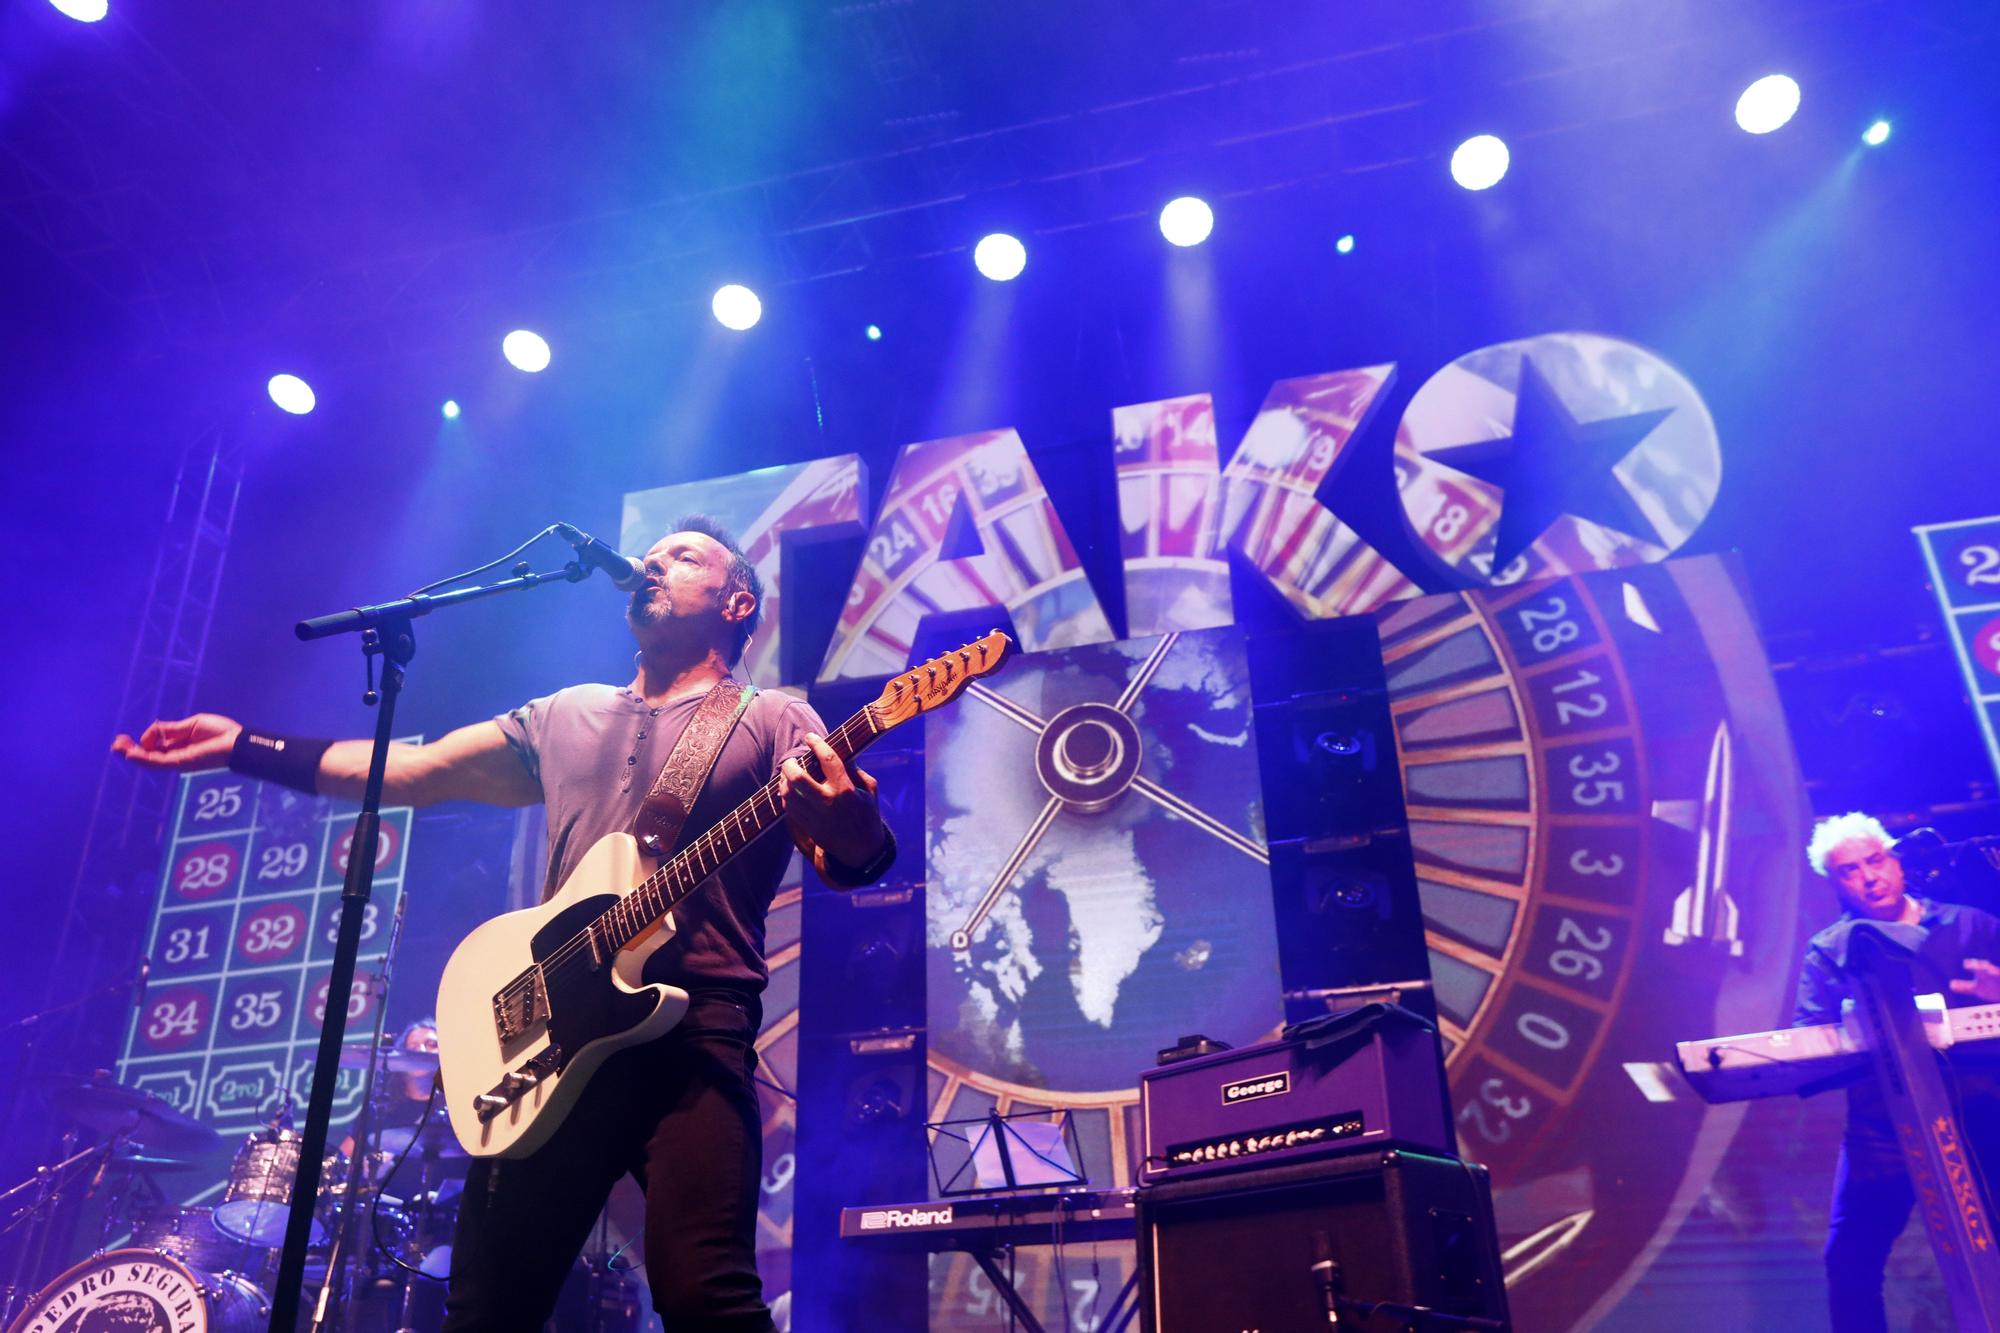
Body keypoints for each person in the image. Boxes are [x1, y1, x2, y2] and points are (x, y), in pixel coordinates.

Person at [114, 516, 894, 1332]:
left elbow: (857, 857)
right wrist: (247, 745)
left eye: (683, 556)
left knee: (707, 1296)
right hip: (552, 1037)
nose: (654, 562)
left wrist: (850, 822)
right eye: (654, 552)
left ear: (738, 602)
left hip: (692, 1032)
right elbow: (409, 771)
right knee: (487, 1310)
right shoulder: (565, 714)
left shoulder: (775, 718)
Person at [1792, 812, 2000, 1333]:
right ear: (1835, 884)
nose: (1868, 877)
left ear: (1897, 862)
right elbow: (1808, 1037)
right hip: (1883, 1126)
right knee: (1849, 1262)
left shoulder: (1969, 926)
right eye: (1849, 871)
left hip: (1982, 1113)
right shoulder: (1829, 951)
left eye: (1876, 860)